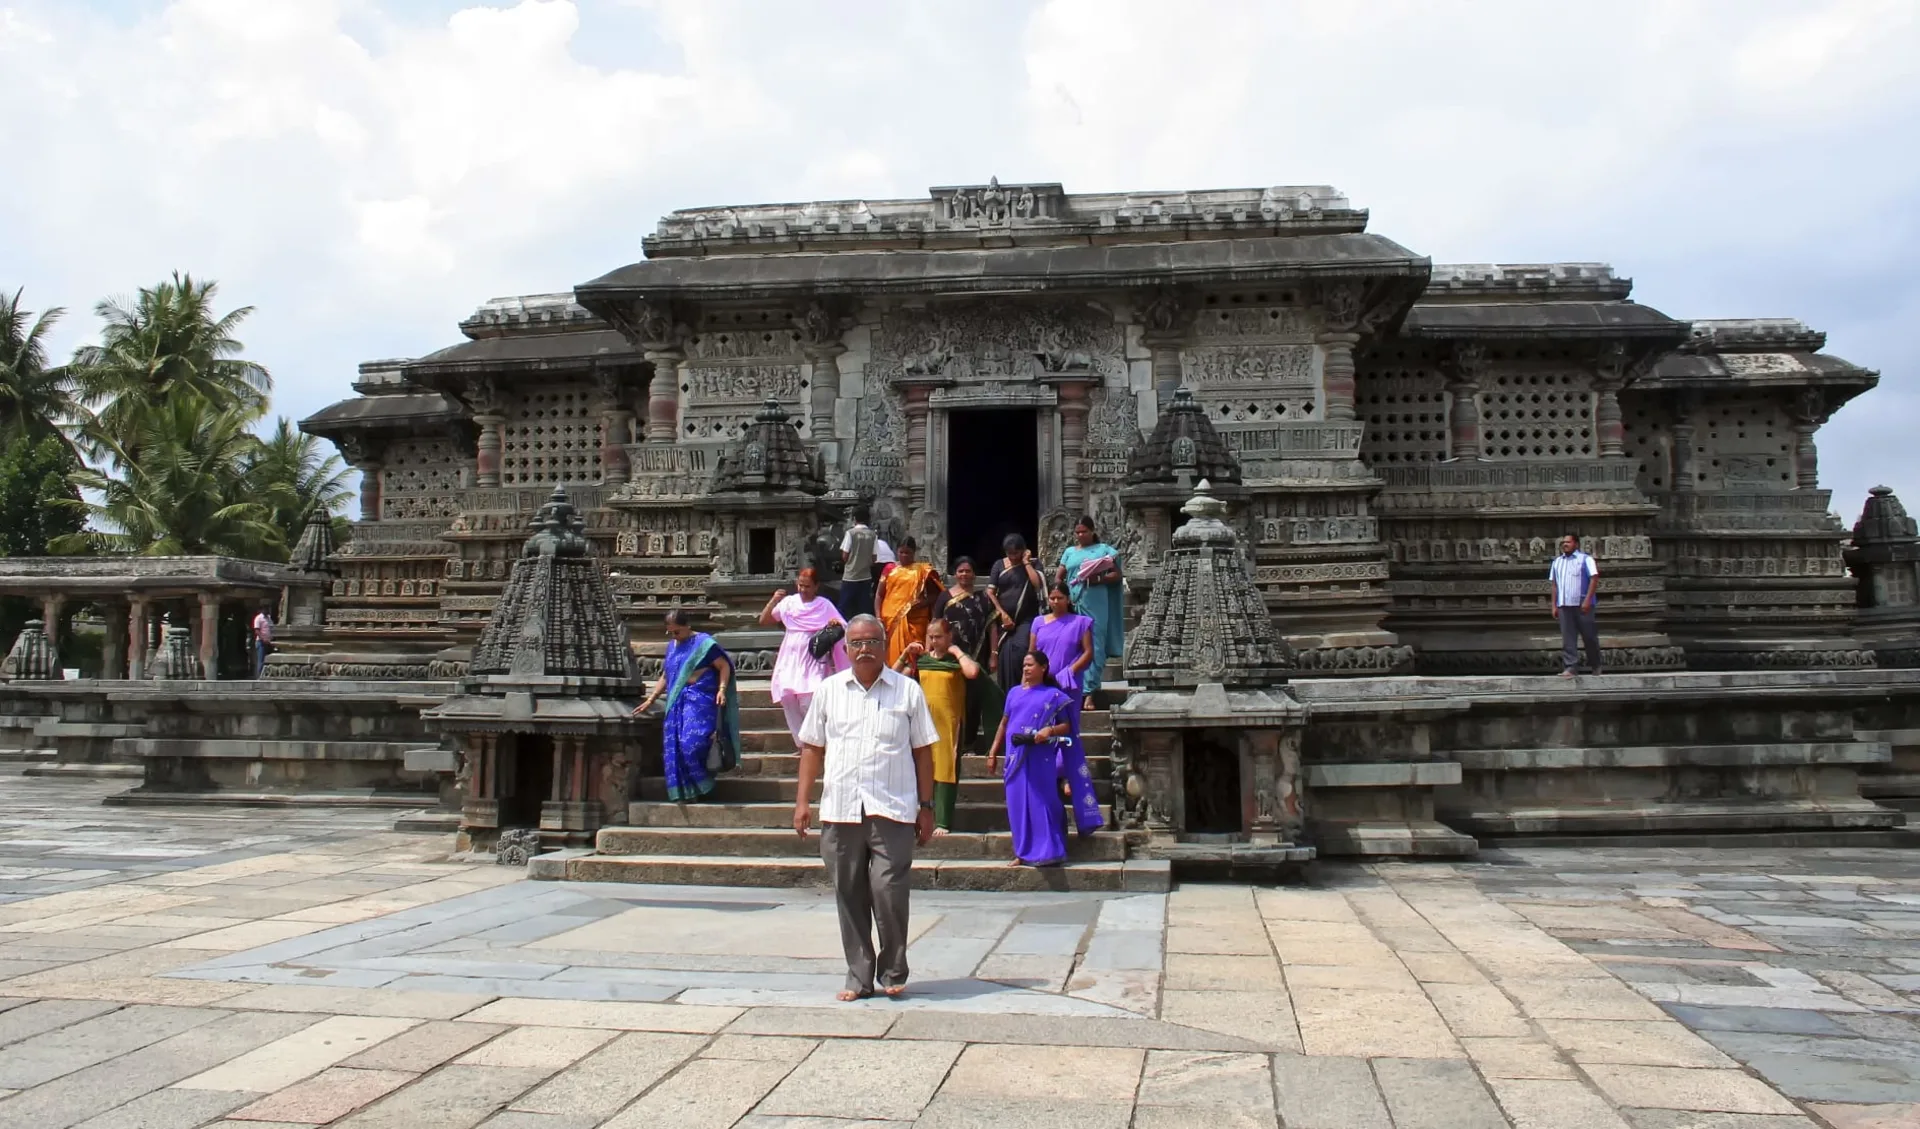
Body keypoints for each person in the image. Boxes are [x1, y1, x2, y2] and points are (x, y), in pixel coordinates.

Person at [793, 614, 938, 1001]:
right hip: (840, 808)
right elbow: (812, 747)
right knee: (848, 893)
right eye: (856, 643)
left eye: (872, 641)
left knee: (888, 890)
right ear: (845, 648)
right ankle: (858, 976)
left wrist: (926, 805)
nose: (864, 649)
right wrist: (802, 801)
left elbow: (924, 752)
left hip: (892, 807)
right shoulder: (829, 690)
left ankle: (893, 969)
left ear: (885, 644)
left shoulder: (907, 692)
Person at [633, 610, 739, 802]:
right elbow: (666, 675)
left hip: (700, 701)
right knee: (677, 746)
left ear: (687, 626)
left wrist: (721, 689)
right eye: (670, 632)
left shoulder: (704, 644)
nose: (674, 636)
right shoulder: (672, 646)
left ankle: (704, 783)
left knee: (692, 743)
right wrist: (651, 699)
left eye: (677, 632)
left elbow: (724, 666)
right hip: (677, 703)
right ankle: (688, 792)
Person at [1029, 583, 1105, 837]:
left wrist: (1069, 672)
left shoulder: (1081, 622)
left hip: (1068, 685)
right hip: (1044, 686)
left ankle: (1068, 777)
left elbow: (1088, 653)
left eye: (1059, 597)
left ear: (1068, 599)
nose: (1055, 602)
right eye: (1051, 597)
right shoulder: (1039, 622)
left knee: (1068, 735)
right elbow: (1032, 654)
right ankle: (1056, 779)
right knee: (1043, 734)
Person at [895, 617, 983, 834]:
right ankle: (919, 813)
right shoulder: (922, 661)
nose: (934, 641)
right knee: (921, 767)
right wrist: (906, 654)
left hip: (949, 724)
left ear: (949, 636)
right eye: (931, 637)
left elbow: (972, 672)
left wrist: (956, 651)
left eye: (939, 637)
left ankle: (943, 820)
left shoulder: (955, 662)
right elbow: (893, 676)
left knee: (945, 770)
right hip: (922, 722)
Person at [987, 650, 1075, 867]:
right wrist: (992, 752)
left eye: (1030, 665)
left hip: (1040, 756)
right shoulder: (1014, 693)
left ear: (1043, 668)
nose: (1025, 669)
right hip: (1015, 756)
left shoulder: (1053, 695)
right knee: (1017, 805)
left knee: (1041, 802)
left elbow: (1067, 726)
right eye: (1024, 665)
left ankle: (1048, 851)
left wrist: (1049, 731)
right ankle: (1022, 852)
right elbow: (1004, 723)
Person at [762, 567, 850, 746]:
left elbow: (842, 625)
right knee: (787, 697)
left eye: (807, 586)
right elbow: (764, 620)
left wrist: (834, 626)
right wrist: (773, 601)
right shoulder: (789, 602)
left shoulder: (824, 605)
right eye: (800, 585)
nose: (803, 590)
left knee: (809, 701)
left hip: (813, 658)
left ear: (816, 586)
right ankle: (801, 743)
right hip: (790, 658)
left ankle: (817, 742)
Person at [931, 557, 1004, 755]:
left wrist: (994, 654)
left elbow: (992, 627)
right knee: (952, 699)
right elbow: (935, 626)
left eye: (968, 571)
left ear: (974, 574)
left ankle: (969, 744)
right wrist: (933, 651)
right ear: (955, 574)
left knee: (972, 701)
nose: (964, 574)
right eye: (961, 571)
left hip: (977, 657)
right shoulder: (945, 597)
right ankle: (949, 742)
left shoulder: (983, 598)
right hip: (950, 657)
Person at [1056, 515, 1124, 709]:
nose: (1080, 535)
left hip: (1095, 601)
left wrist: (1098, 579)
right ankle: (1071, 689)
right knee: (1072, 645)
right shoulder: (1069, 552)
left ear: (1092, 531)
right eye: (1077, 532)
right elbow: (1060, 576)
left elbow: (1117, 574)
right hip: (1073, 601)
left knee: (1095, 646)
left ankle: (1089, 693)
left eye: (1084, 531)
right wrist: (1060, 593)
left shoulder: (1104, 550)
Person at [987, 534, 1046, 695]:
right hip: (1005, 620)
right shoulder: (999, 565)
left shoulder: (1034, 564)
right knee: (1005, 654)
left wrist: (1026, 562)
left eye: (1016, 553)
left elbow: (1037, 584)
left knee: (1020, 651)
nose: (1013, 557)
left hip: (1027, 618)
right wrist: (1002, 613)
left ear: (1023, 551)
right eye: (1009, 553)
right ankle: (1008, 694)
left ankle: (1025, 690)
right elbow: (990, 592)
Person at [876, 538, 941, 666]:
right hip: (890, 619)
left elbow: (935, 595)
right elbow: (879, 595)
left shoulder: (923, 570)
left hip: (915, 620)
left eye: (908, 553)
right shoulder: (889, 568)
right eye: (901, 552)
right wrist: (878, 617)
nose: (904, 556)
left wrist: (920, 604)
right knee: (891, 656)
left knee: (914, 655)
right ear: (897, 551)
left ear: (914, 552)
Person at [1549, 532, 1602, 677]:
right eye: (1563, 543)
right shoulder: (1557, 562)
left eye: (1568, 542)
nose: (1565, 545)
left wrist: (1587, 600)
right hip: (1564, 604)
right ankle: (1570, 667)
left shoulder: (1585, 559)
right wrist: (1554, 605)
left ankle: (1595, 664)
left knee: (1589, 637)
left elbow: (1594, 579)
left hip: (1582, 604)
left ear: (1576, 544)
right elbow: (1554, 585)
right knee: (1568, 638)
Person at [839, 508, 879, 618]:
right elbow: (874, 558)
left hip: (850, 577)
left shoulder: (850, 533)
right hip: (865, 576)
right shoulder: (873, 535)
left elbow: (844, 555)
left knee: (844, 607)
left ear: (854, 519)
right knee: (864, 608)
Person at [250, 606, 274, 677]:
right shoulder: (258, 618)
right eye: (265, 609)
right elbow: (257, 631)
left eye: (267, 609)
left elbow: (271, 628)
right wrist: (263, 639)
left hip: (269, 642)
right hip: (261, 642)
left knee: (269, 660)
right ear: (262, 610)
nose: (267, 610)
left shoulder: (269, 618)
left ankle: (267, 675)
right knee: (261, 660)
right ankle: (259, 676)